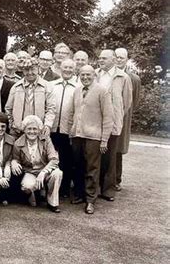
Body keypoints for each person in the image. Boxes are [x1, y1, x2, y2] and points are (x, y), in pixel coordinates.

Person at [68, 65, 113, 214]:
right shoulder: (77, 91)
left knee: (92, 169)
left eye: (88, 75)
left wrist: (104, 140)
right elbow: (71, 113)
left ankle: (90, 200)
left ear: (94, 75)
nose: (85, 77)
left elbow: (108, 117)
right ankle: (80, 195)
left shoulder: (102, 91)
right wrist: (71, 132)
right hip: (77, 136)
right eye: (82, 75)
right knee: (78, 166)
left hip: (93, 137)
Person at [96, 49, 132, 201]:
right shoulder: (95, 74)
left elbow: (127, 102)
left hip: (113, 124)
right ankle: (93, 188)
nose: (101, 60)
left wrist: (115, 117)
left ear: (112, 60)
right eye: (99, 58)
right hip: (95, 122)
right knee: (94, 157)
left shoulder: (123, 77)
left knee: (110, 158)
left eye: (104, 58)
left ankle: (108, 190)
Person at [11, 115, 62, 213]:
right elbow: (15, 158)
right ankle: (35, 192)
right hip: (30, 171)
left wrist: (43, 172)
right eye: (29, 129)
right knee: (26, 186)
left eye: (35, 129)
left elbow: (54, 159)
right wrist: (14, 162)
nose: (32, 131)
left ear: (39, 130)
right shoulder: (18, 143)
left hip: (45, 170)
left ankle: (52, 202)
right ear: (24, 130)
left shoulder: (46, 140)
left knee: (58, 173)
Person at [5, 58, 56, 139]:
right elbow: (8, 108)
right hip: (18, 132)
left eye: (33, 69)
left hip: (39, 131)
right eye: (26, 70)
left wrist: (47, 125)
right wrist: (12, 125)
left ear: (38, 69)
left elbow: (51, 109)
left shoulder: (47, 87)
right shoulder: (16, 87)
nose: (30, 73)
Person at [50, 59, 78, 197]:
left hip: (69, 129)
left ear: (74, 69)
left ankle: (64, 189)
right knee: (52, 157)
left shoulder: (78, 87)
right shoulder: (52, 85)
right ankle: (49, 187)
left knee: (67, 159)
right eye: (65, 67)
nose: (67, 70)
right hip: (52, 128)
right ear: (60, 68)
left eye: (70, 68)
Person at [114, 48, 141, 191]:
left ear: (126, 59)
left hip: (123, 117)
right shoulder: (108, 74)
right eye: (116, 57)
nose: (119, 60)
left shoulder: (134, 78)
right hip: (107, 116)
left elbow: (134, 101)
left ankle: (116, 180)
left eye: (121, 57)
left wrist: (124, 112)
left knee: (118, 149)